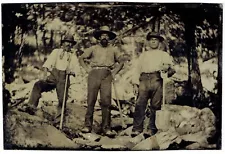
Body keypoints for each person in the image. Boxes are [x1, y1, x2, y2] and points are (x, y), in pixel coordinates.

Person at [19, 35, 80, 121]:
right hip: (53, 76)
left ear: (72, 45)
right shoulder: (56, 52)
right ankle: (31, 107)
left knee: (62, 100)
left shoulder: (73, 56)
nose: (68, 45)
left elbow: (76, 69)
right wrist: (44, 75)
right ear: (63, 43)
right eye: (67, 42)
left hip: (64, 79)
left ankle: (59, 120)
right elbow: (47, 65)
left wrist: (71, 72)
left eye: (70, 43)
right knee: (38, 85)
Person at [79, 26, 124, 137]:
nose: (104, 37)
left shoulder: (113, 49)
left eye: (106, 35)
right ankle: (87, 125)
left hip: (107, 74)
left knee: (106, 101)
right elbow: (81, 58)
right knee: (91, 100)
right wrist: (87, 69)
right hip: (94, 73)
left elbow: (122, 61)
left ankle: (106, 127)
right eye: (102, 35)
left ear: (109, 38)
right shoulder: (93, 48)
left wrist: (114, 72)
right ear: (99, 37)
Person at [131, 32, 176, 137]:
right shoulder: (144, 55)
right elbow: (137, 69)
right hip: (144, 80)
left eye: (156, 40)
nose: (153, 41)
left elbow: (172, 69)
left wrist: (166, 69)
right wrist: (135, 83)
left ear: (159, 42)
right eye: (151, 40)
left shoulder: (164, 55)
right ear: (148, 42)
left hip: (157, 79)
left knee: (156, 105)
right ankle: (137, 129)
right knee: (140, 103)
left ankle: (152, 129)